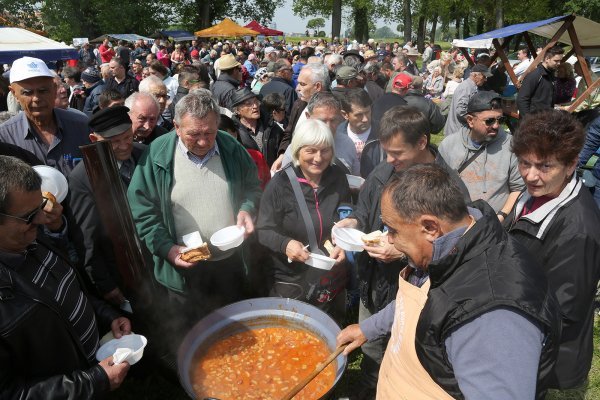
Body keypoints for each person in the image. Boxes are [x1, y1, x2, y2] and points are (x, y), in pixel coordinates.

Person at [336, 163, 560, 399]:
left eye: (393, 230)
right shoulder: (455, 242)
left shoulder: (493, 316)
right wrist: (368, 328)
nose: (390, 240)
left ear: (430, 227)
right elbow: (422, 303)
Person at [335, 107, 470, 398]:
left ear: (422, 142)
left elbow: (455, 250)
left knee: (402, 355)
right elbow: (365, 208)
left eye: (396, 153)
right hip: (373, 282)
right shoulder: (387, 171)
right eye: (386, 152)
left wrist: (400, 252)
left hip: (414, 293)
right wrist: (354, 221)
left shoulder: (448, 189)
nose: (389, 160)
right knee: (370, 347)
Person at [0, 155, 133, 398]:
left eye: (40, 207)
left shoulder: (32, 239)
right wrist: (92, 382)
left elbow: (67, 292)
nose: (42, 221)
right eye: (29, 217)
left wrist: (106, 316)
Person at [127, 90, 261, 326]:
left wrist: (246, 208)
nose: (202, 141)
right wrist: (166, 248)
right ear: (177, 127)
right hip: (183, 268)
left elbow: (252, 185)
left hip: (230, 263)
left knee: (234, 328)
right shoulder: (157, 154)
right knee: (192, 333)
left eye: (209, 133)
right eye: (193, 134)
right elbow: (142, 211)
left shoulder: (229, 145)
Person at [507, 109, 600, 397]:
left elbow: (562, 310)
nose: (531, 175)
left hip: (549, 363)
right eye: (525, 163)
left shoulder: (578, 230)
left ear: (572, 164)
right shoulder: (539, 192)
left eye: (545, 166)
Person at [256, 119, 350, 323]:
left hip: (327, 273)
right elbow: (263, 230)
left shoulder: (338, 177)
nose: (318, 158)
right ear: (298, 151)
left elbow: (345, 213)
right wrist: (285, 244)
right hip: (290, 276)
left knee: (324, 324)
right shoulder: (279, 185)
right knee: (290, 328)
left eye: (325, 150)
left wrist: (343, 243)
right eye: (311, 150)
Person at [68, 106, 146, 307]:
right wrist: (105, 285)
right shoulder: (83, 178)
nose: (123, 146)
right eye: (114, 142)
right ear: (95, 140)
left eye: (127, 137)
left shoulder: (145, 154)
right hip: (122, 270)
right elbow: (87, 239)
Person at [0, 56, 89, 176]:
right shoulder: (5, 137)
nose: (36, 98)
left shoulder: (82, 126)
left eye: (43, 91)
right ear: (14, 93)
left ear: (54, 89)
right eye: (27, 92)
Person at [439, 91, 524, 215]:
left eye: (500, 120)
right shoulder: (448, 145)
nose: (496, 126)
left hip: (497, 224)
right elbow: (438, 187)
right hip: (457, 222)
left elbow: (518, 188)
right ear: (470, 120)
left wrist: (502, 216)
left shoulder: (512, 145)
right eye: (489, 121)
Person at [230, 88, 283, 167]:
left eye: (256, 101)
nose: (255, 106)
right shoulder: (233, 131)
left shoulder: (270, 125)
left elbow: (284, 145)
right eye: (248, 104)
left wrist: (282, 155)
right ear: (237, 110)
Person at [443, 64, 491, 136]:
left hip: (459, 130)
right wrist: (475, 121)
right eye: (484, 76)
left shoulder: (470, 86)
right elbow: (461, 111)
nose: (485, 79)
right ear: (475, 75)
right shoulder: (466, 88)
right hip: (457, 131)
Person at [517, 45, 564, 117]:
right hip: (533, 121)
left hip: (545, 120)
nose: (559, 63)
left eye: (560, 61)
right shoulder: (535, 75)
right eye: (556, 61)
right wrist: (528, 120)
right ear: (547, 59)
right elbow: (522, 99)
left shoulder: (551, 75)